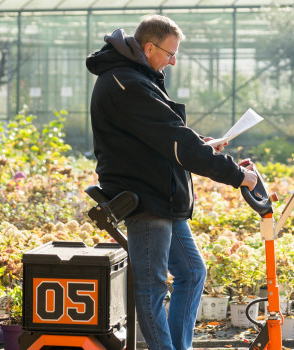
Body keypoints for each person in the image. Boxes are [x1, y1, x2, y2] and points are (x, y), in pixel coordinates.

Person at [86, 14, 260, 350]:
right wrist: (237, 175)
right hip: (146, 198)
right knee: (151, 289)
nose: (173, 61)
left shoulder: (136, 78)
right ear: (150, 48)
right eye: (170, 53)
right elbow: (174, 139)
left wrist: (202, 145)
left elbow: (161, 137)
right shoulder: (127, 84)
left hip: (162, 196)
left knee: (192, 273)